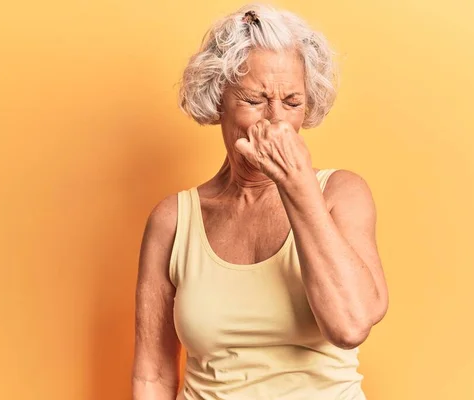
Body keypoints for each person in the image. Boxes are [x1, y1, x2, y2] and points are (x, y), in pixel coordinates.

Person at [132, 4, 389, 399]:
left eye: (292, 102)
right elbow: (153, 374)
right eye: (254, 99)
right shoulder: (172, 220)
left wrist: (297, 186)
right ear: (219, 98)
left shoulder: (341, 194)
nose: (276, 121)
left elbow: (351, 326)